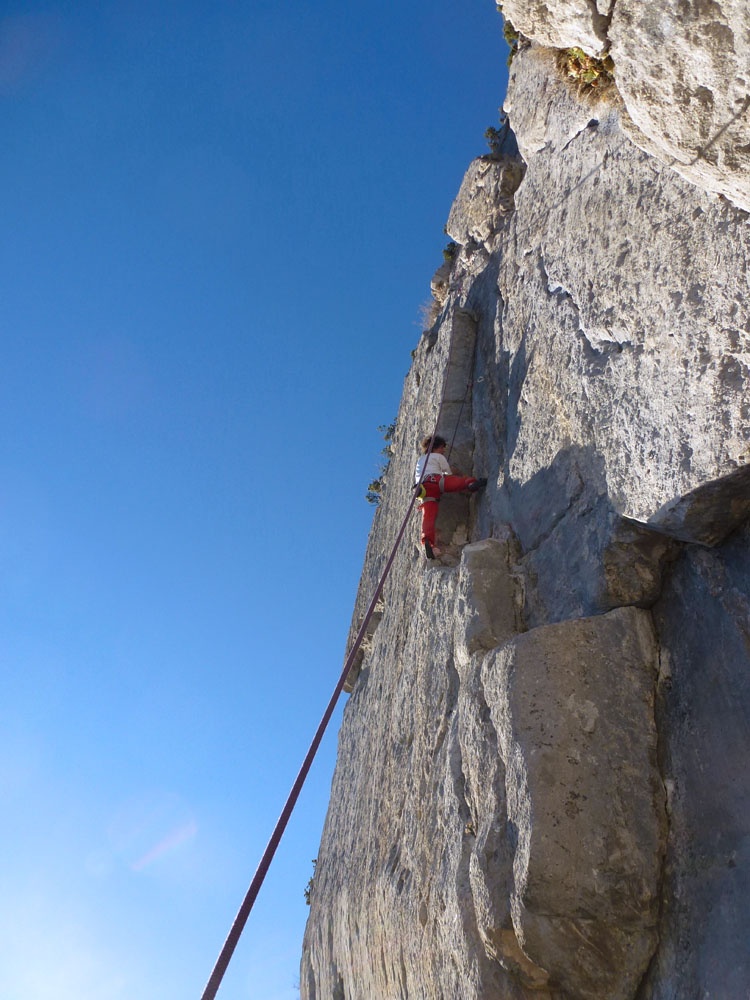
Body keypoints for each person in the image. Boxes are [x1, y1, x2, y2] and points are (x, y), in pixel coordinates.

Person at [414, 435, 487, 559]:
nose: (443, 451)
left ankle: (428, 542)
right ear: (436, 446)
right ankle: (470, 483)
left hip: (424, 490)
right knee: (458, 482)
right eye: (442, 448)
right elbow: (448, 473)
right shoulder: (438, 456)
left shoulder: (420, 460)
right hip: (437, 481)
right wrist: (459, 474)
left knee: (428, 517)